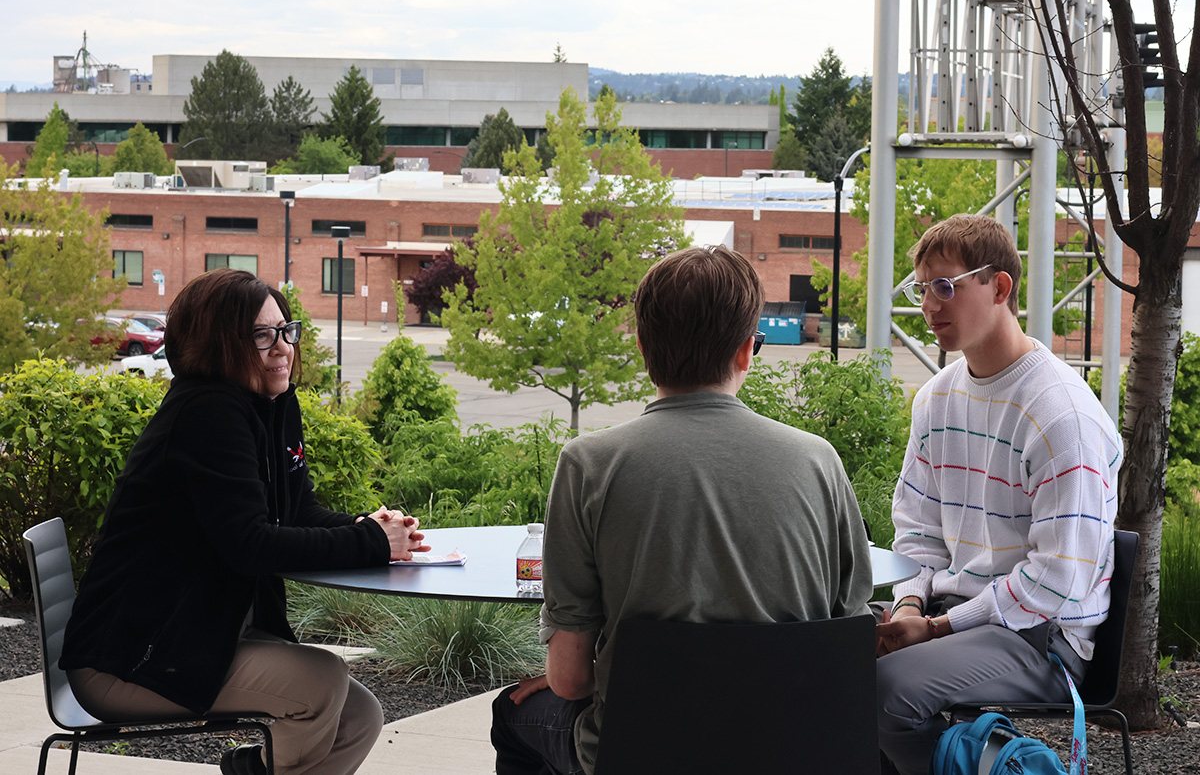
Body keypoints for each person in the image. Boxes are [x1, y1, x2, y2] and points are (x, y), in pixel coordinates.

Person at [490, 244, 874, 775]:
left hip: (638, 752)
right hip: (795, 751)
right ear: (746, 351)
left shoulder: (588, 464)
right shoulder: (819, 461)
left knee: (510, 715)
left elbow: (571, 680)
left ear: (642, 347)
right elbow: (848, 645)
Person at [60, 269, 429, 775]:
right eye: (261, 335)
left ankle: (256, 769)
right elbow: (249, 545)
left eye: (286, 330)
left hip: (202, 632)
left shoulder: (271, 405)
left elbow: (297, 513)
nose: (282, 348)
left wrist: (366, 526)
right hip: (128, 659)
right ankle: (254, 769)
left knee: (359, 717)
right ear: (218, 344)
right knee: (322, 681)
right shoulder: (207, 413)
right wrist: (369, 541)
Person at [875, 214, 1123, 775]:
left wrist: (935, 629)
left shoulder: (1061, 415)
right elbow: (917, 530)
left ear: (1000, 287)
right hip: (956, 613)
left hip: (1043, 638)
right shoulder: (936, 400)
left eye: (945, 287)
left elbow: (1056, 580)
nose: (928, 306)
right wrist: (910, 605)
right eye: (922, 289)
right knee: (823, 653)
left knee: (885, 690)